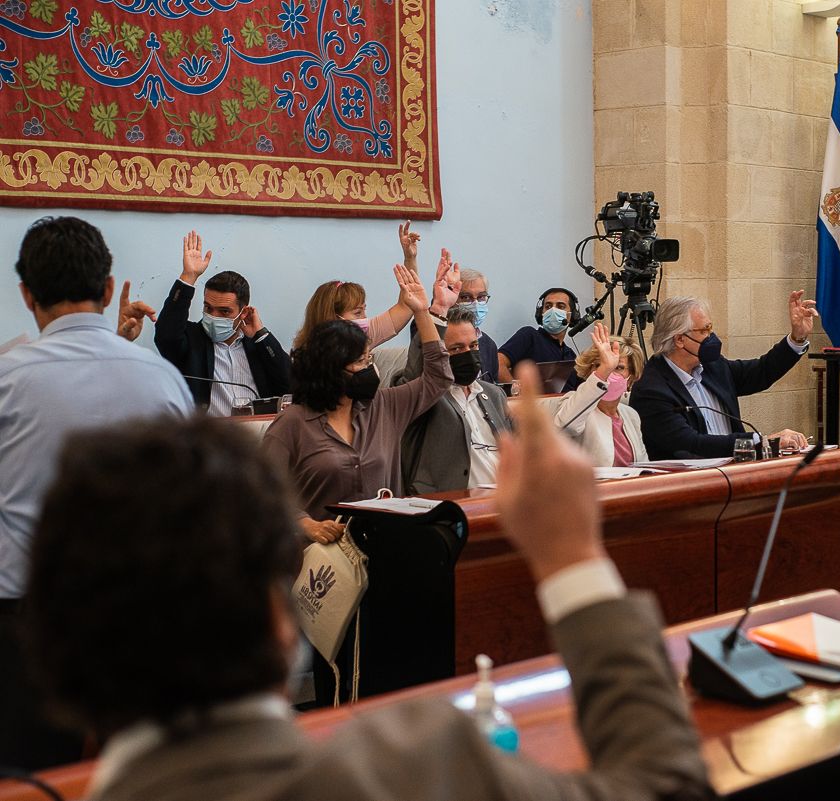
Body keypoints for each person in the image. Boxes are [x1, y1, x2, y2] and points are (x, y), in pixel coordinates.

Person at [21, 366, 711, 801]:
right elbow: (665, 783)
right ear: (281, 619)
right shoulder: (419, 769)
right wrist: (571, 557)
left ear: (55, 648)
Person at [0, 216, 193, 772]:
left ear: (27, 295)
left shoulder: (8, 381)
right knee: (137, 773)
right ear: (108, 290)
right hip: (142, 616)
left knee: (35, 778)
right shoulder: (163, 380)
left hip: (29, 623)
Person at [262, 264, 450, 545]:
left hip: (385, 547)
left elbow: (438, 378)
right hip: (322, 557)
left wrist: (423, 312)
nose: (369, 369)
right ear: (331, 368)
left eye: (368, 360)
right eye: (361, 362)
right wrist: (305, 523)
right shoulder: (293, 423)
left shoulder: (384, 406)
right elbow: (261, 488)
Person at [629, 294, 817, 460]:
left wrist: (797, 338)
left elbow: (762, 371)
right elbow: (690, 443)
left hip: (735, 471)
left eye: (710, 328)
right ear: (679, 339)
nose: (711, 337)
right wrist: (761, 441)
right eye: (704, 331)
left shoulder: (713, 366)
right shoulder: (651, 389)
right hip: (688, 482)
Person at [154, 230, 291, 415]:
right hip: (209, 432)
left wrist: (261, 336)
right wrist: (188, 277)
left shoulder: (257, 345)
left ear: (243, 312)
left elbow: (289, 384)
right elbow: (166, 336)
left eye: (224, 311)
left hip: (258, 430)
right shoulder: (192, 339)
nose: (214, 316)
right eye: (208, 308)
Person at [400, 304, 512, 494]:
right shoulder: (426, 397)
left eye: (473, 346)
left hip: (506, 498)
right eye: (457, 348)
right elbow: (414, 374)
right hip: (452, 503)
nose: (468, 354)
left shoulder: (494, 394)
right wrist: (437, 311)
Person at [292, 222, 429, 351]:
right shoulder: (307, 358)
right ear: (332, 318)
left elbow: (407, 305)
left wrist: (410, 258)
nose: (364, 318)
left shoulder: (364, 335)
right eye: (357, 313)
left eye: (364, 310)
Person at [395, 235, 500, 383]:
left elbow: (492, 385)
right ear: (452, 297)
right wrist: (440, 304)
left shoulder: (489, 345)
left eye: (481, 297)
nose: (475, 303)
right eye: (466, 297)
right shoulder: (429, 327)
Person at [552, 322, 648, 467]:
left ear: (631, 377)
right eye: (599, 365)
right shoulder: (575, 402)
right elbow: (566, 426)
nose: (610, 372)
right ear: (589, 371)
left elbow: (644, 465)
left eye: (618, 368)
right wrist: (604, 370)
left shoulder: (631, 415)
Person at [497, 287, 580, 383]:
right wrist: (516, 390)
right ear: (541, 313)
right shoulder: (530, 336)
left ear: (573, 315)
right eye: (548, 306)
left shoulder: (570, 355)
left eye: (560, 306)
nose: (553, 310)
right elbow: (497, 363)